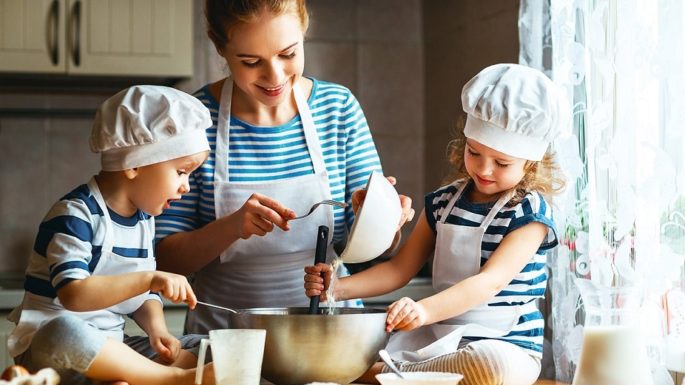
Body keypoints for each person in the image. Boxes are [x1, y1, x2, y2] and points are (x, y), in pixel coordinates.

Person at [154, 0, 414, 334]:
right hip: (225, 336)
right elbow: (164, 259)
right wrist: (232, 227)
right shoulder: (194, 120)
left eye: (288, 54)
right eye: (251, 62)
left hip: (329, 334)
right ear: (220, 46)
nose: (274, 76)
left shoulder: (337, 109)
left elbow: (372, 249)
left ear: (304, 31)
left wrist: (384, 219)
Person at [305, 63, 569, 385]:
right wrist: (334, 287)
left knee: (492, 365)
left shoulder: (529, 212)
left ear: (531, 163)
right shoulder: (443, 203)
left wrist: (424, 311)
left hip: (508, 346)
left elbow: (490, 283)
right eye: (474, 152)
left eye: (501, 163)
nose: (484, 170)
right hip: (441, 341)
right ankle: (404, 375)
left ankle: (383, 375)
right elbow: (399, 270)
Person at [7, 85, 217, 385]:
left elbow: (143, 296)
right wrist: (150, 278)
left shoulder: (144, 219)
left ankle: (139, 377)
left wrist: (157, 329)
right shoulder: (75, 215)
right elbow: (75, 294)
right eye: (181, 172)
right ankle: (172, 379)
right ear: (134, 165)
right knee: (63, 331)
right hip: (55, 354)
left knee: (209, 348)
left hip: (112, 350)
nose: (186, 186)